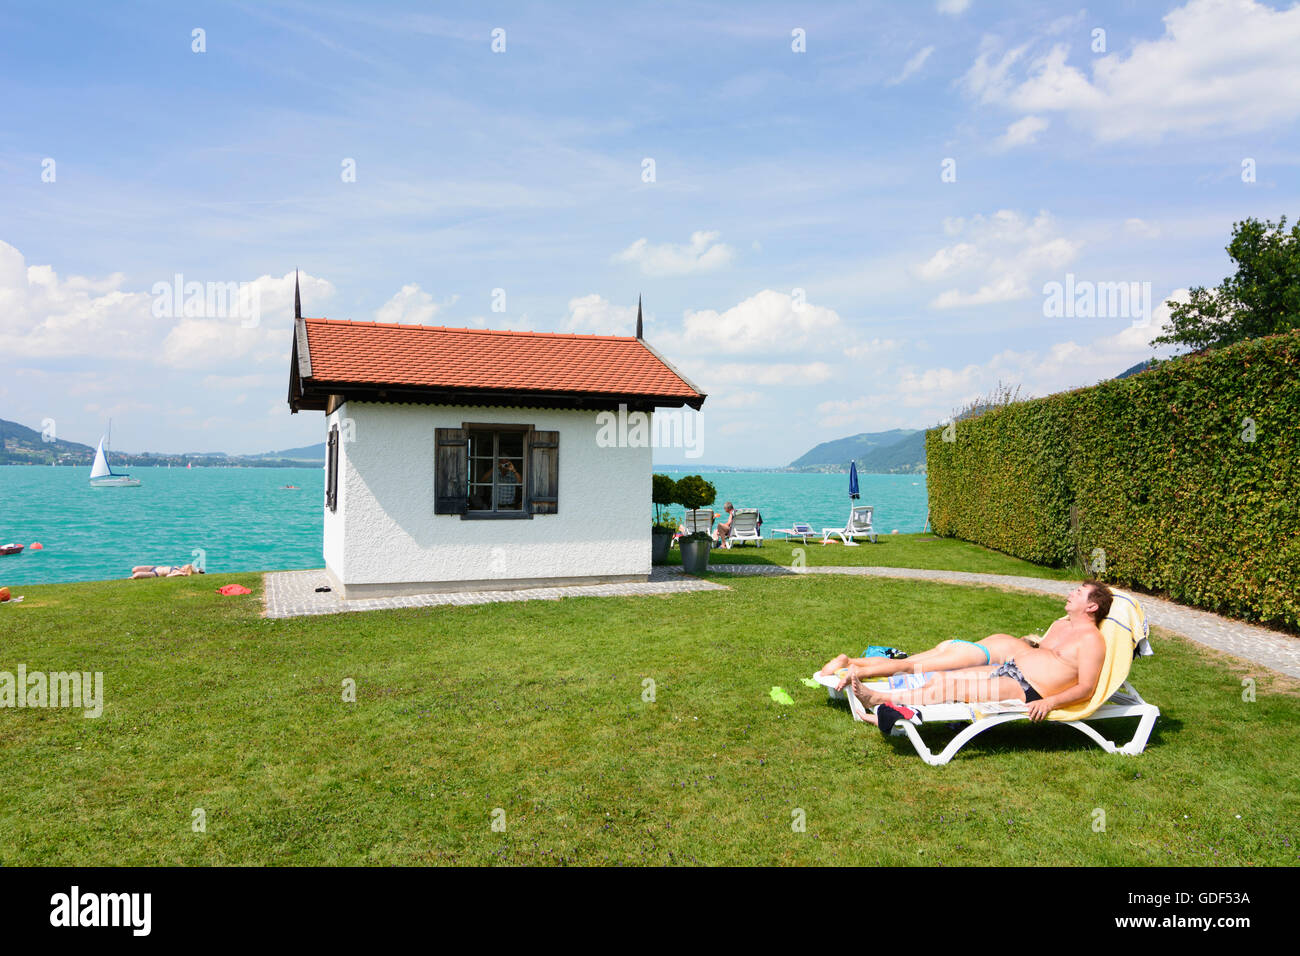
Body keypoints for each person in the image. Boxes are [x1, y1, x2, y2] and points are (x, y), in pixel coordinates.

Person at [843, 581, 1113, 723]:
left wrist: (1049, 703)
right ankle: (893, 707)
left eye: (1079, 593)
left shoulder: (1091, 640)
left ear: (1091, 607)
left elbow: (1087, 688)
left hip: (1027, 690)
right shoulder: (1060, 624)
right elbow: (1045, 654)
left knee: (952, 690)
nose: (1071, 594)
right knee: (940, 678)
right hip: (1010, 670)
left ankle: (878, 698)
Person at [131, 564, 204, 579]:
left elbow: (167, 576)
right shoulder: (177, 568)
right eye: (184, 566)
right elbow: (195, 569)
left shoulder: (179, 573)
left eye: (185, 568)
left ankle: (131, 578)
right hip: (154, 567)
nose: (183, 567)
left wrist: (179, 574)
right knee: (135, 569)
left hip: (155, 574)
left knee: (136, 575)